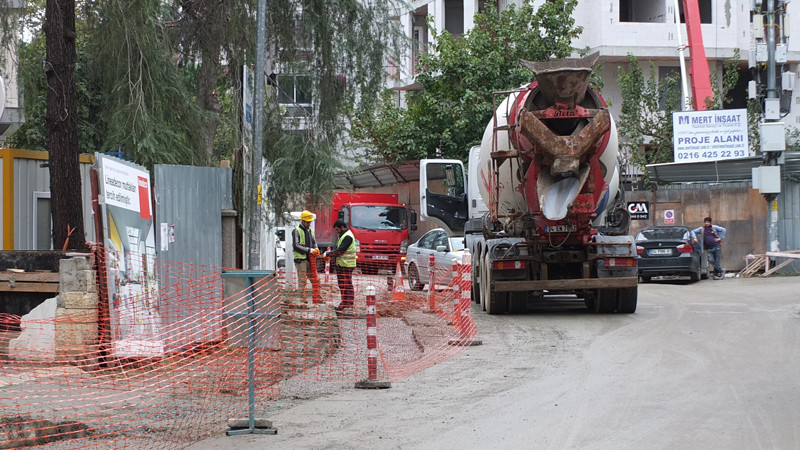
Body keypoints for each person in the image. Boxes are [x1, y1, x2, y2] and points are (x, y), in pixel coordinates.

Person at [325, 220, 357, 311]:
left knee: (347, 284)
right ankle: (344, 303)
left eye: (337, 229)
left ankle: (349, 304)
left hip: (346, 265)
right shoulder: (343, 235)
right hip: (342, 264)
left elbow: (340, 250)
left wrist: (328, 254)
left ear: (342, 227)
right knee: (342, 284)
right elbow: (339, 249)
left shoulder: (348, 236)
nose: (337, 231)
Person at [292, 210, 319, 300]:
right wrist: (309, 250)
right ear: (303, 221)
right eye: (308, 222)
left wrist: (316, 249)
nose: (309, 224)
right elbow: (296, 245)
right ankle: (302, 300)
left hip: (310, 259)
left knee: (315, 280)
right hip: (301, 259)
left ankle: (317, 298)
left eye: (310, 222)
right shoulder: (296, 230)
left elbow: (314, 241)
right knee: (302, 280)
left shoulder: (310, 230)